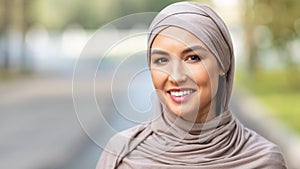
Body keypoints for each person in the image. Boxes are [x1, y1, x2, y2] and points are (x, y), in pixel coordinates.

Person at [96, 1, 286, 169]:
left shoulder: (263, 160)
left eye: (192, 58)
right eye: (161, 60)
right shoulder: (123, 156)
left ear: (223, 63)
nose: (176, 76)